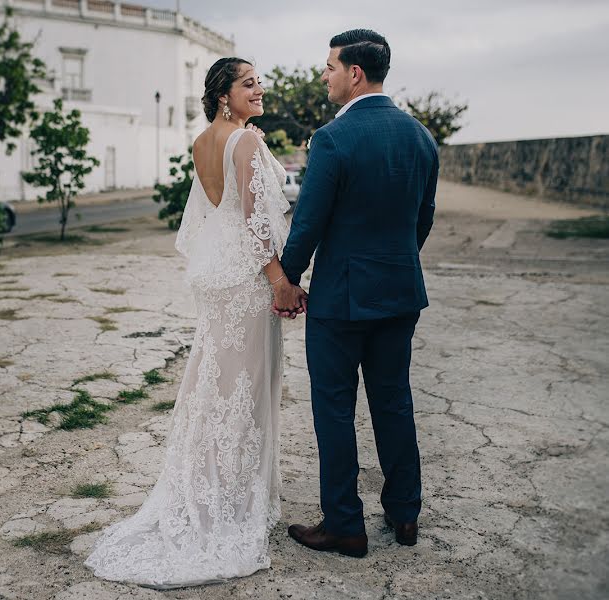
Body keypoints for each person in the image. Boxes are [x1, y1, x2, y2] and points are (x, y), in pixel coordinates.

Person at [84, 57, 304, 589]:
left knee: (216, 387)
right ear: (224, 93)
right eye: (248, 83)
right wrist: (280, 281)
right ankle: (230, 501)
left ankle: (209, 486)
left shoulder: (205, 140)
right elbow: (255, 224)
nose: (260, 90)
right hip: (248, 281)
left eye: (259, 83)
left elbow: (217, 213)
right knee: (244, 391)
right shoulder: (246, 142)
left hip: (217, 276)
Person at [279, 29, 439, 558]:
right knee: (394, 401)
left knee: (334, 408)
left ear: (354, 73)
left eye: (328, 66)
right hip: (399, 293)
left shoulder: (332, 139)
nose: (323, 75)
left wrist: (287, 281)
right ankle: (405, 513)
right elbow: (422, 222)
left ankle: (346, 525)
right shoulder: (421, 137)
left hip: (342, 300)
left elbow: (308, 223)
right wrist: (392, 265)